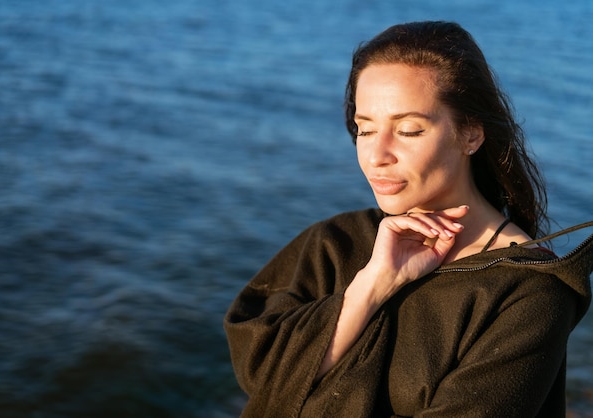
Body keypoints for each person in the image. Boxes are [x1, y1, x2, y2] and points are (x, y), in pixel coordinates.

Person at [224, 21, 593, 417]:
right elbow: (260, 375)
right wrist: (369, 288)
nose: (376, 154)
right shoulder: (335, 242)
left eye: (409, 130)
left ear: (470, 134)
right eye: (364, 130)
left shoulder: (529, 293)